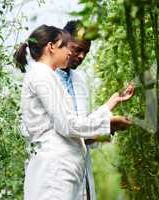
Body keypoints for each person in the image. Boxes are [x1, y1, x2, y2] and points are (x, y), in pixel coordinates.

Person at [14, 24, 134, 200]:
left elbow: (75, 122)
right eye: (66, 46)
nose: (71, 53)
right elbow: (68, 124)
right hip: (54, 169)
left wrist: (111, 102)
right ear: (51, 47)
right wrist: (107, 124)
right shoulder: (43, 76)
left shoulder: (49, 75)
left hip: (65, 168)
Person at [56, 20, 123, 200]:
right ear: (61, 42)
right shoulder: (46, 79)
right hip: (56, 172)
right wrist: (107, 125)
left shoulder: (80, 80)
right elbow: (69, 128)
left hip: (80, 171)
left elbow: (84, 133)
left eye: (86, 52)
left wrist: (111, 119)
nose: (82, 56)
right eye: (77, 49)